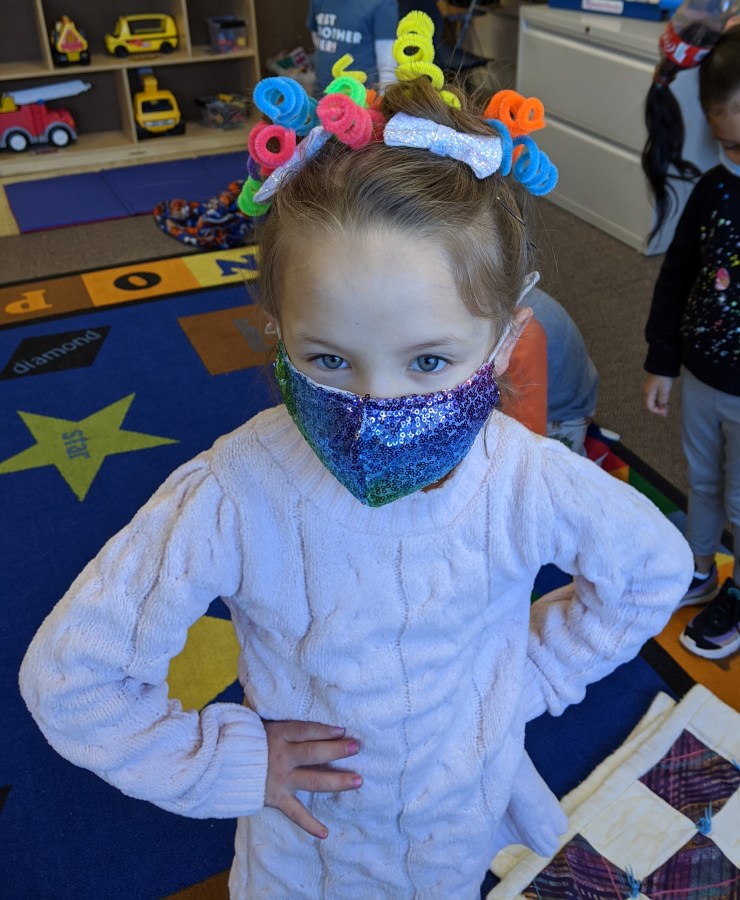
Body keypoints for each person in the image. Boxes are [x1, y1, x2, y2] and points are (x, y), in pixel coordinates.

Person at [20, 13, 693, 897]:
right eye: (330, 359)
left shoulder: (525, 479)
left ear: (503, 342)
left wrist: (522, 682)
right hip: (304, 858)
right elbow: (72, 679)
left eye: (429, 361)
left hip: (456, 832)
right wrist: (228, 762)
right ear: (275, 332)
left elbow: (651, 571)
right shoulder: (233, 492)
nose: (379, 406)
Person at [643, 25, 740, 661]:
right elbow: (676, 277)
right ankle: (701, 568)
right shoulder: (712, 190)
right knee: (703, 482)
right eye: (731, 145)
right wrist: (663, 361)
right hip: (704, 378)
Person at [307, 0, 399, 94]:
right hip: (322, 92)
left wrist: (385, 99)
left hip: (360, 97)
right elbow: (317, 38)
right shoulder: (318, 2)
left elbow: (387, 64)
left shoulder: (383, 3)